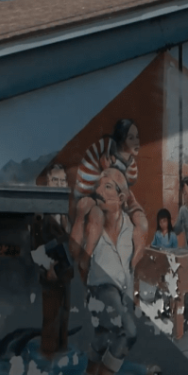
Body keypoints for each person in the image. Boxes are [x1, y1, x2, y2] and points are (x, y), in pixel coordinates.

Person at [71, 168, 138, 375]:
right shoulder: (93, 222)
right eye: (98, 185)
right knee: (128, 331)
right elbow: (75, 253)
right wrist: (80, 216)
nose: (99, 190)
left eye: (107, 186)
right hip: (100, 288)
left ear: (121, 198)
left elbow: (129, 266)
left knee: (103, 336)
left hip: (119, 292)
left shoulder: (130, 228)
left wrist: (130, 296)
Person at [71, 119, 148, 280]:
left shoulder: (131, 164)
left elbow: (126, 184)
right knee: (97, 217)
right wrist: (106, 172)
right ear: (122, 140)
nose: (137, 142)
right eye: (131, 138)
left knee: (142, 221)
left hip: (116, 192)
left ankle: (133, 264)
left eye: (137, 137)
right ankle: (86, 258)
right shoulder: (104, 150)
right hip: (92, 191)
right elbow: (98, 183)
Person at [31, 164, 73, 359]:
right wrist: (48, 268)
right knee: (51, 319)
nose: (59, 184)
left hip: (65, 275)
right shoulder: (41, 215)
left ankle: (61, 355)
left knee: (64, 317)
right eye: (55, 180)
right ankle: (47, 358)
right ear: (48, 182)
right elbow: (34, 248)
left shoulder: (66, 213)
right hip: (50, 276)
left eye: (62, 181)